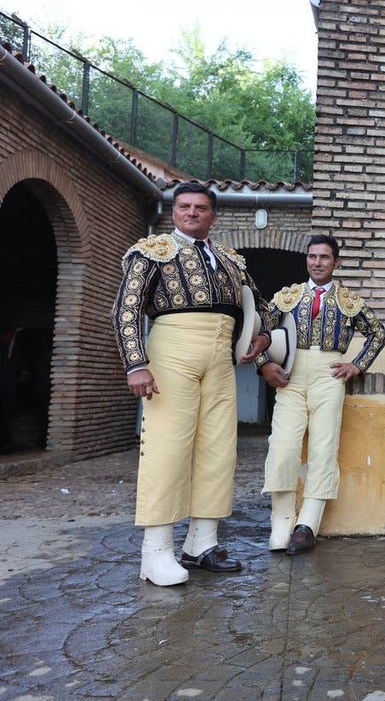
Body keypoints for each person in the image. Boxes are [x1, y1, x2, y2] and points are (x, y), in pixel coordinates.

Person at [112, 181, 270, 587]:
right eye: (184, 206)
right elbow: (125, 309)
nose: (192, 213)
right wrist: (136, 364)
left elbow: (259, 306)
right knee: (168, 446)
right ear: (174, 211)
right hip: (172, 351)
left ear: (213, 215)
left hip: (220, 357)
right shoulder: (152, 251)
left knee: (218, 448)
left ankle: (202, 543)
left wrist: (262, 337)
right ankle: (156, 551)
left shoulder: (230, 260)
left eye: (201, 207)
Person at [256, 234, 385, 556]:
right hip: (291, 374)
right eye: (312, 257)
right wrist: (263, 365)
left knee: (323, 446)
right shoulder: (288, 296)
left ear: (336, 262)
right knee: (284, 445)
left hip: (329, 373)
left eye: (324, 258)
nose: (317, 263)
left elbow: (378, 333)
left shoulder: (349, 300)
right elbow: (258, 331)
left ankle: (308, 525)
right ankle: (281, 522)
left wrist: (356, 365)